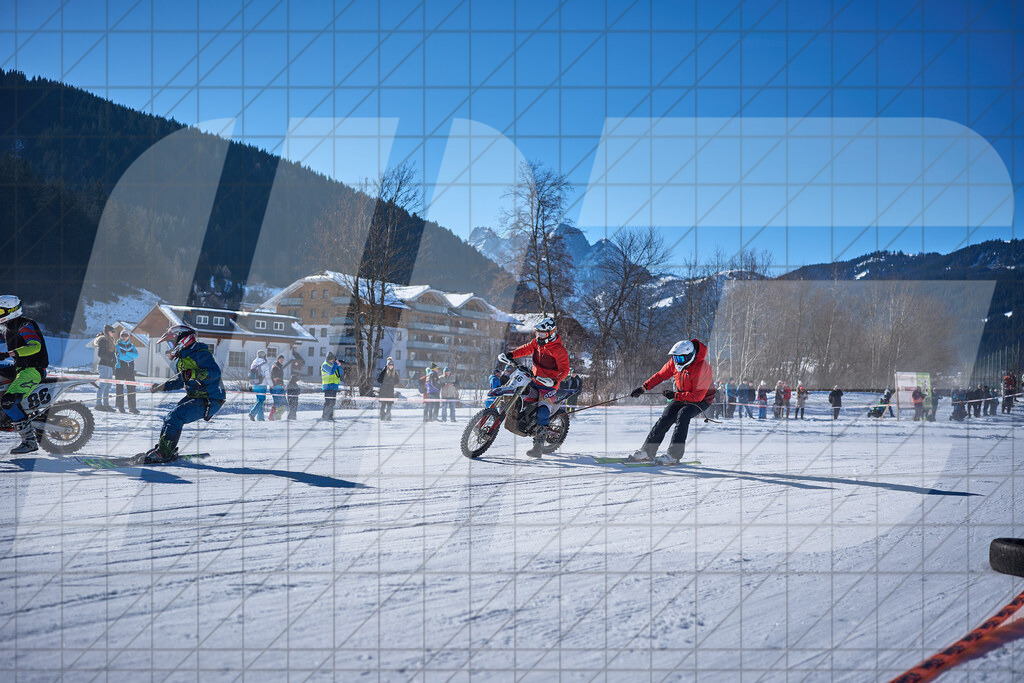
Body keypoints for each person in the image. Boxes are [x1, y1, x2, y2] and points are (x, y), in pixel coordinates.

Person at [144, 325, 225, 463]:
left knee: (176, 416)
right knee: (170, 418)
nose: (170, 347)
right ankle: (165, 449)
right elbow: (180, 381)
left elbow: (215, 373)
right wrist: (162, 387)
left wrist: (193, 373)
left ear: (182, 340)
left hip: (210, 398)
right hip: (196, 396)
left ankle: (164, 453)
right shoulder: (182, 359)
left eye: (171, 343)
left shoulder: (199, 353)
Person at [627, 338, 714, 465]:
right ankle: (647, 452)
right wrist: (643, 388)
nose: (677, 361)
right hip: (682, 395)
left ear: (689, 356)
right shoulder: (674, 362)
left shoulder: (702, 368)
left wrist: (675, 395)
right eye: (675, 357)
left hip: (701, 399)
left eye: (680, 358)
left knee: (683, 415)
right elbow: (660, 375)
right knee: (666, 417)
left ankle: (674, 455)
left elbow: (697, 396)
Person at [506, 317, 570, 458]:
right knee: (519, 393)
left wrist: (554, 380)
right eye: (537, 333)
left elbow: (565, 370)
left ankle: (539, 444)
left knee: (543, 408)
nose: (539, 336)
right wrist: (512, 354)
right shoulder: (537, 343)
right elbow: (526, 348)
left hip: (548, 385)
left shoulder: (559, 350)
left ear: (551, 333)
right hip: (534, 379)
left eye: (542, 334)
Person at [0, 295, 49, 454]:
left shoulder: (24, 325)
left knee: (8, 401)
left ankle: (29, 441)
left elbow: (35, 346)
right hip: (20, 367)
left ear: (11, 310)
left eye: (0, 311)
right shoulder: (7, 327)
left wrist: (9, 354)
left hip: (33, 369)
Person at [114, 329, 140, 414]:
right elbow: (120, 356)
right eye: (122, 335)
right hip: (120, 369)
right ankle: (120, 407)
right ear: (120, 336)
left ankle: (132, 407)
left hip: (130, 369)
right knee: (119, 388)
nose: (124, 337)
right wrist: (130, 356)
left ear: (128, 336)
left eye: (126, 335)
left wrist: (126, 353)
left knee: (132, 388)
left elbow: (136, 355)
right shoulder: (117, 345)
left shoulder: (132, 346)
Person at [95, 324, 116, 412]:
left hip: (109, 366)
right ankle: (98, 404)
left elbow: (112, 354)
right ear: (108, 332)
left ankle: (106, 405)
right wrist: (110, 358)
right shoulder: (104, 340)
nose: (114, 333)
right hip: (104, 365)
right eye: (112, 331)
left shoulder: (111, 341)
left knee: (108, 385)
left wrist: (113, 361)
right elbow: (100, 354)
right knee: (103, 385)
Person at [320, 352, 343, 421]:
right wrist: (335, 364)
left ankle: (330, 416)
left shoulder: (333, 365)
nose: (333, 361)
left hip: (334, 386)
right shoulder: (325, 365)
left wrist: (338, 366)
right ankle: (325, 416)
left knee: (332, 402)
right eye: (332, 359)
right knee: (328, 402)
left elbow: (339, 374)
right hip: (328, 386)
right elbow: (331, 372)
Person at [376, 357, 400, 421]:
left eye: (392, 364)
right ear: (387, 365)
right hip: (383, 392)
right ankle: (382, 418)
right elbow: (378, 379)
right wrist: (385, 382)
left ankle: (388, 418)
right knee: (383, 407)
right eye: (390, 364)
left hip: (390, 392)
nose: (391, 366)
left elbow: (397, 381)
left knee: (389, 408)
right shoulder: (384, 371)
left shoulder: (394, 372)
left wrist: (392, 382)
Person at [248, 350, 269, 421]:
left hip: (255, 384)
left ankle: (260, 418)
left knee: (259, 400)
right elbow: (267, 376)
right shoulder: (264, 364)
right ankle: (252, 413)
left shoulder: (253, 363)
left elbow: (251, 374)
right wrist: (271, 384)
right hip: (262, 384)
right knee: (261, 400)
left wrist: (250, 384)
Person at [268, 355, 286, 420]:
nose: (282, 361)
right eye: (281, 359)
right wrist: (281, 384)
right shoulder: (276, 367)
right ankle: (274, 417)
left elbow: (280, 378)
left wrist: (282, 384)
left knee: (277, 403)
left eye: (283, 360)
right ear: (278, 359)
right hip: (276, 387)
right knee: (278, 404)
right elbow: (276, 378)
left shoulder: (279, 366)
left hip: (278, 386)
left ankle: (272, 416)